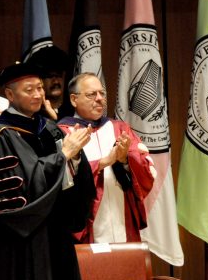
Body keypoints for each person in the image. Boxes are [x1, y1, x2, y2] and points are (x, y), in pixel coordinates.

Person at [0, 62, 95, 280]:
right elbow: (26, 183)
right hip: (25, 239)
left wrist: (75, 158)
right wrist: (63, 155)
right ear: (10, 95)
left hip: (57, 232)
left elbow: (72, 176)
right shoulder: (2, 134)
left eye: (40, 88)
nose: (38, 94)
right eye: (28, 89)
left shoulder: (50, 128)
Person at [58, 73, 155, 243]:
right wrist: (104, 162)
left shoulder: (119, 128)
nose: (99, 99)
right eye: (91, 94)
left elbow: (145, 172)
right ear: (74, 99)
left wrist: (125, 160)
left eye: (102, 93)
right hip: (87, 224)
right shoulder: (64, 133)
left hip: (121, 214)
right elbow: (60, 180)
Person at [26, 45, 71, 119]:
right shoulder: (32, 115)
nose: (56, 81)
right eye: (49, 76)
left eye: (58, 75)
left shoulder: (74, 110)